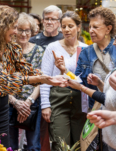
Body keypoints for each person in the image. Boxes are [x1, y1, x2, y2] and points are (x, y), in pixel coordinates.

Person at [0, 5, 66, 148]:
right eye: (14, 27)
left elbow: (25, 68)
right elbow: (3, 81)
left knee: (2, 146)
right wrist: (38, 79)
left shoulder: (12, 46)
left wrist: (47, 76)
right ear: (1, 27)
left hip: (1, 105)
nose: (16, 32)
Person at [40, 11, 87, 150]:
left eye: (70, 26)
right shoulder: (52, 47)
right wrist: (45, 105)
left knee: (80, 144)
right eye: (63, 26)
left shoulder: (85, 49)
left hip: (80, 100)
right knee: (61, 144)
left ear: (79, 27)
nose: (66, 30)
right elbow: (45, 77)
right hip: (58, 99)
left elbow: (84, 79)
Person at [29, 5, 64, 151]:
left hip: (58, 94)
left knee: (57, 135)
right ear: (42, 21)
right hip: (35, 93)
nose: (49, 22)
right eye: (46, 19)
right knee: (35, 137)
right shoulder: (33, 40)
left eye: (53, 19)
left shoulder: (64, 39)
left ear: (59, 22)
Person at [9, 12, 44, 151]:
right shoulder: (7, 50)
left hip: (32, 104)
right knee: (9, 145)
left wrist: (28, 102)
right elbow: (0, 81)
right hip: (10, 104)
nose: (24, 34)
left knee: (33, 146)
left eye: (27, 30)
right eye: (20, 30)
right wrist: (16, 102)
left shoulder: (40, 51)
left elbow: (41, 80)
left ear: (33, 31)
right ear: (14, 30)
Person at [75, 7, 116, 110]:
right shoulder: (85, 53)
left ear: (108, 29)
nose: (91, 30)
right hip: (96, 108)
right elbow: (77, 81)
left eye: (95, 27)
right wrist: (64, 71)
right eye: (90, 27)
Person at [66, 71, 116, 151]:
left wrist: (82, 88)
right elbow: (111, 95)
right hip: (109, 134)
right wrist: (100, 84)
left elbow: (108, 100)